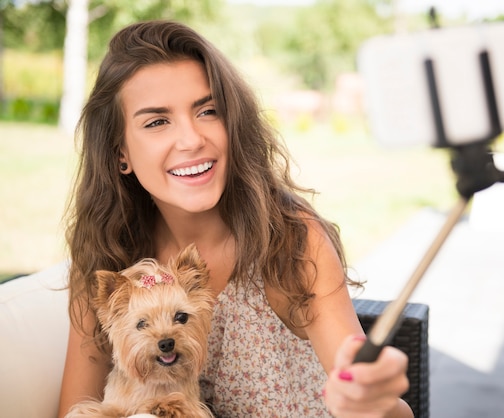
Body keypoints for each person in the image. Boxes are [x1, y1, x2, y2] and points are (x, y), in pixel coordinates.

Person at [58, 20, 412, 418]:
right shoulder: (106, 254)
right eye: (157, 121)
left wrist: (373, 399)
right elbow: (75, 408)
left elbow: (388, 411)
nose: (191, 139)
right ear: (119, 151)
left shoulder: (293, 242)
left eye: (208, 111)